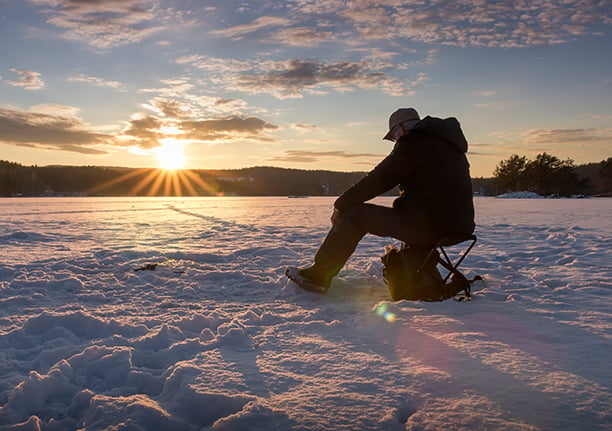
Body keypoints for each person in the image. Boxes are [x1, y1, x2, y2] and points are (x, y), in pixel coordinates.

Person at [286, 108, 475, 293]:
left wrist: (341, 205)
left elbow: (378, 180)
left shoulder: (414, 143)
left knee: (356, 215)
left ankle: (319, 275)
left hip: (432, 227)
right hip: (459, 226)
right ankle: (418, 282)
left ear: (399, 129)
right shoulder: (447, 145)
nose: (394, 141)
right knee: (406, 220)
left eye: (393, 137)